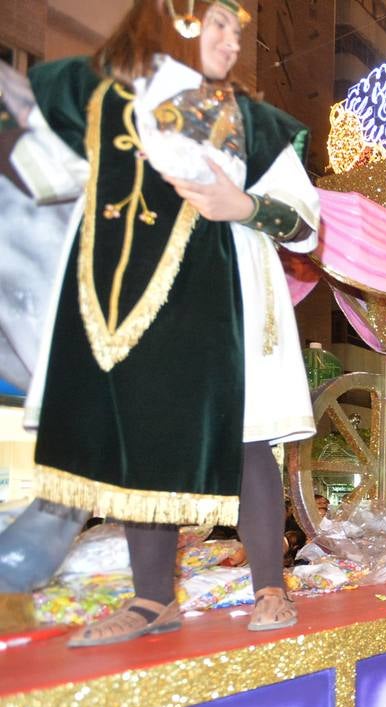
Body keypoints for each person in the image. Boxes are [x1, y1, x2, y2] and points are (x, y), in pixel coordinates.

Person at [20, 0, 320, 647]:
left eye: (236, 29)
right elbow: (43, 172)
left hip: (225, 293)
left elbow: (304, 218)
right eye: (218, 24)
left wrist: (243, 203)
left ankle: (270, 584)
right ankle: (152, 600)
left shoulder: (245, 118)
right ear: (174, 20)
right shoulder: (105, 102)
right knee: (144, 435)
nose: (233, 40)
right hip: (128, 296)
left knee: (244, 428)